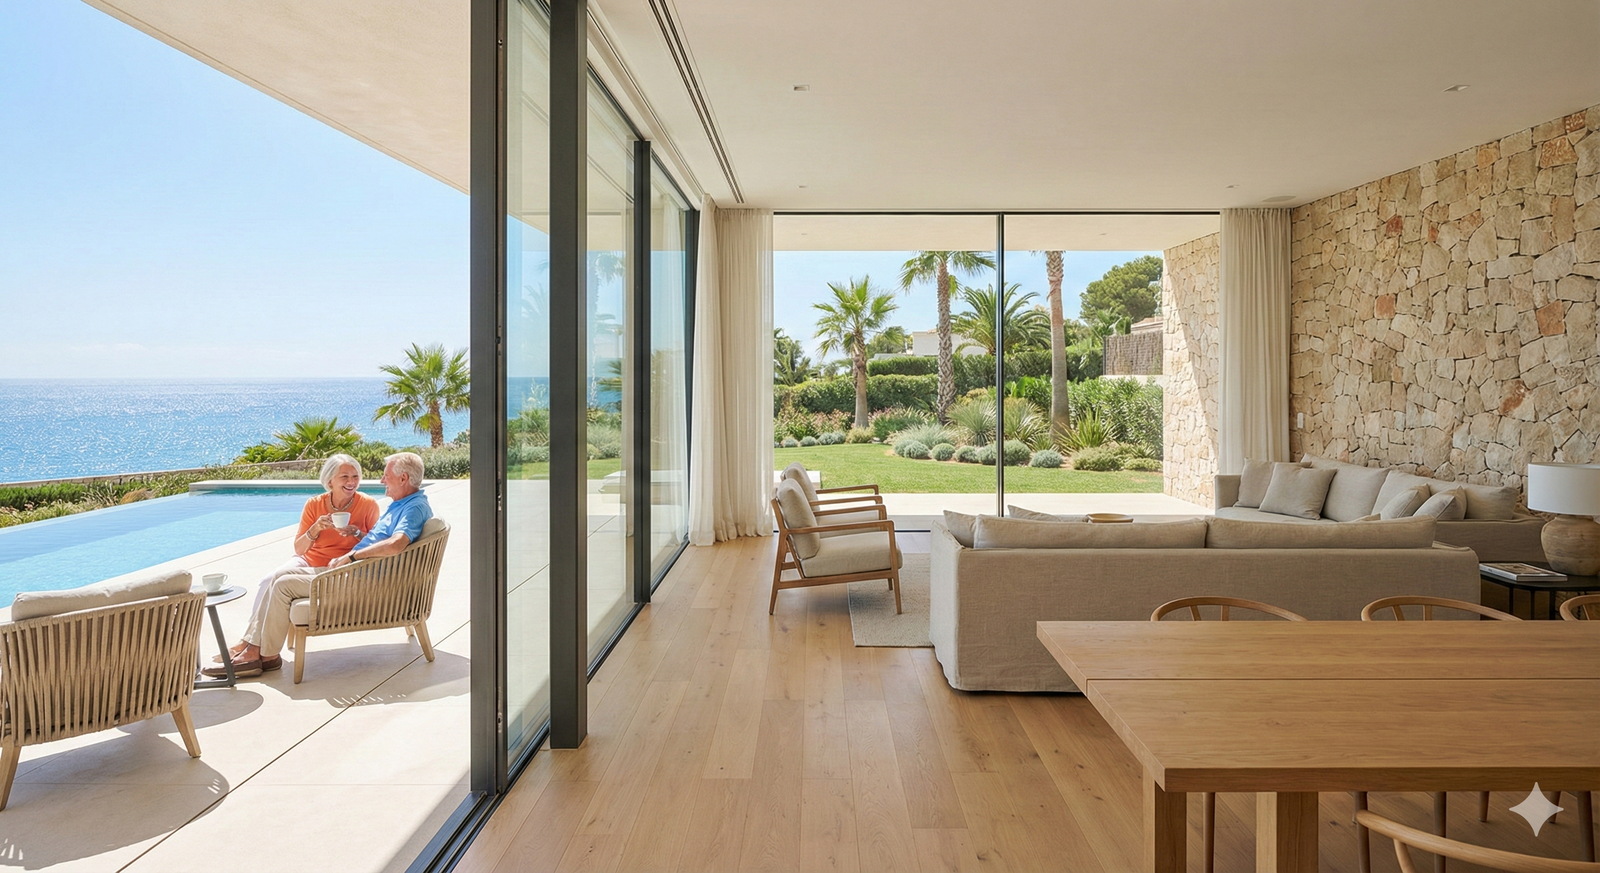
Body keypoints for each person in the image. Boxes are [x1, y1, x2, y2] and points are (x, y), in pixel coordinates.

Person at [206, 452, 432, 678]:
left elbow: (397, 543)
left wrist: (352, 556)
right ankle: (257, 650)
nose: (382, 481)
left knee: (283, 585)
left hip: (362, 578)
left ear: (403, 478)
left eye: (386, 476)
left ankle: (262, 654)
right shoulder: (401, 505)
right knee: (278, 577)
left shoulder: (413, 507)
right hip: (353, 571)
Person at [217, 454, 379, 674]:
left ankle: (253, 649)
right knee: (268, 580)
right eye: (345, 477)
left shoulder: (367, 504)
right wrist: (315, 529)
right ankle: (249, 643)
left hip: (339, 565)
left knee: (280, 583)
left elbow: (376, 545)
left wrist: (357, 533)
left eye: (355, 476)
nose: (351, 481)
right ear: (329, 480)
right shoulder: (314, 504)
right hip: (309, 560)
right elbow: (300, 549)